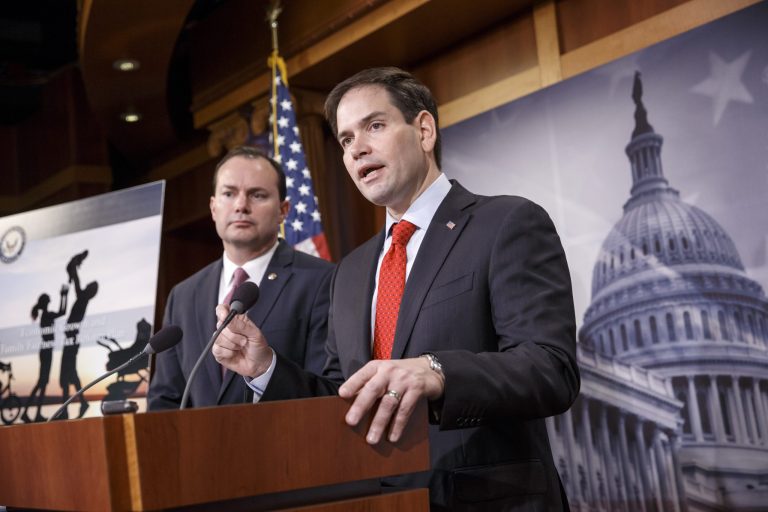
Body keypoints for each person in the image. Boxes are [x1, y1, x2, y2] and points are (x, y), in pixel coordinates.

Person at [213, 68, 580, 511]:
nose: (358, 148)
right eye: (346, 140)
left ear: (424, 130)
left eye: (375, 126)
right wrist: (265, 368)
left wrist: (438, 371)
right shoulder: (350, 271)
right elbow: (344, 397)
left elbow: (550, 369)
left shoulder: (505, 224)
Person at [147, 146, 334, 410]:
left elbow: (330, 391)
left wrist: (266, 370)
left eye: (257, 195)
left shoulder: (322, 281)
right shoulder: (184, 295)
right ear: (213, 208)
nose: (241, 206)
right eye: (229, 193)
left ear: (283, 210)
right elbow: (164, 401)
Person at [21, 284, 68, 423]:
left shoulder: (45, 316)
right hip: (46, 352)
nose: (49, 301)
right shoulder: (47, 315)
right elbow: (62, 312)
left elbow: (61, 312)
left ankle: (35, 414)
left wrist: (63, 296)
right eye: (48, 300)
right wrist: (63, 296)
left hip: (46, 351)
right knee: (41, 384)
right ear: (46, 303)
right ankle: (31, 414)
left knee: (41, 384)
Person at [61, 250, 98, 419]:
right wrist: (74, 266)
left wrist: (74, 265)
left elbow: (76, 281)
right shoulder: (83, 298)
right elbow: (76, 280)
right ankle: (74, 406)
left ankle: (69, 408)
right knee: (70, 373)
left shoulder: (83, 298)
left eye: (89, 286)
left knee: (67, 373)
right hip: (71, 339)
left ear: (90, 291)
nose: (86, 286)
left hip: (72, 340)